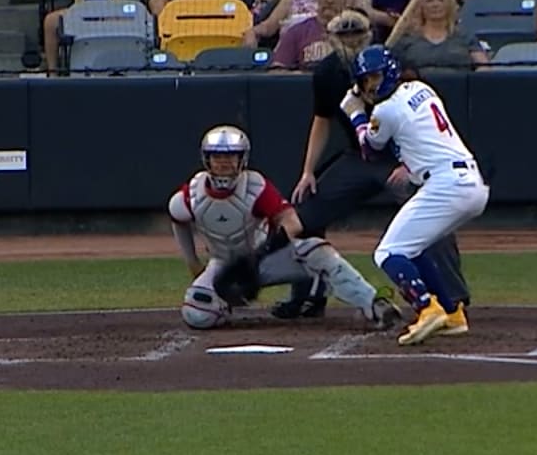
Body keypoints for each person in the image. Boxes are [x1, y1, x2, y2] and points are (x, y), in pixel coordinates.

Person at [273, 7, 471, 321]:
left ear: (368, 35)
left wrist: (409, 164)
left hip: (402, 157)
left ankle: (453, 297)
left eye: (356, 33)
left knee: (432, 215)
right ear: (331, 38)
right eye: (344, 34)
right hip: (360, 156)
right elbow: (321, 120)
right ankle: (307, 295)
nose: (350, 39)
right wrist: (308, 171)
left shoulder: (395, 64)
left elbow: (422, 124)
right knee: (306, 208)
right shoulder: (327, 73)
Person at [167, 124, 403, 330]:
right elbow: (178, 221)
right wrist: (194, 265)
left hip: (264, 260)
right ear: (206, 159)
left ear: (242, 159)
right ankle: (226, 302)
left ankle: (373, 304)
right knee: (197, 314)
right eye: (217, 157)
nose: (224, 163)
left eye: (231, 157)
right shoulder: (191, 195)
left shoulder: (255, 187)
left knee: (314, 249)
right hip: (222, 265)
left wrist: (258, 256)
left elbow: (291, 222)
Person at [340, 45, 489, 345]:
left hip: (446, 185)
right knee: (414, 248)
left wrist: (355, 113)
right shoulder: (421, 88)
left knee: (387, 253)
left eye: (374, 77)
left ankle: (426, 307)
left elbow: (370, 149)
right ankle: (451, 312)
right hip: (469, 182)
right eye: (366, 80)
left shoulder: (385, 111)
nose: (371, 85)